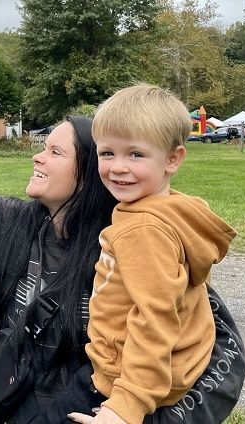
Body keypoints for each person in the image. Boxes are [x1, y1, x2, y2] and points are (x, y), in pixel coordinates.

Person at [0, 41, 245, 424]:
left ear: (87, 173)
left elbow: (221, 353)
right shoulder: (10, 226)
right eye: (43, 145)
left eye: (55, 151)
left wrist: (141, 415)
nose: (37, 155)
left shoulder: (137, 238)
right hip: (18, 405)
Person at [59, 85, 235, 424]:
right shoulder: (173, 211)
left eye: (136, 154)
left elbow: (155, 319)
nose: (117, 168)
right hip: (158, 373)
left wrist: (125, 407)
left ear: (173, 159)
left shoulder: (143, 229)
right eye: (107, 153)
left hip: (121, 385)